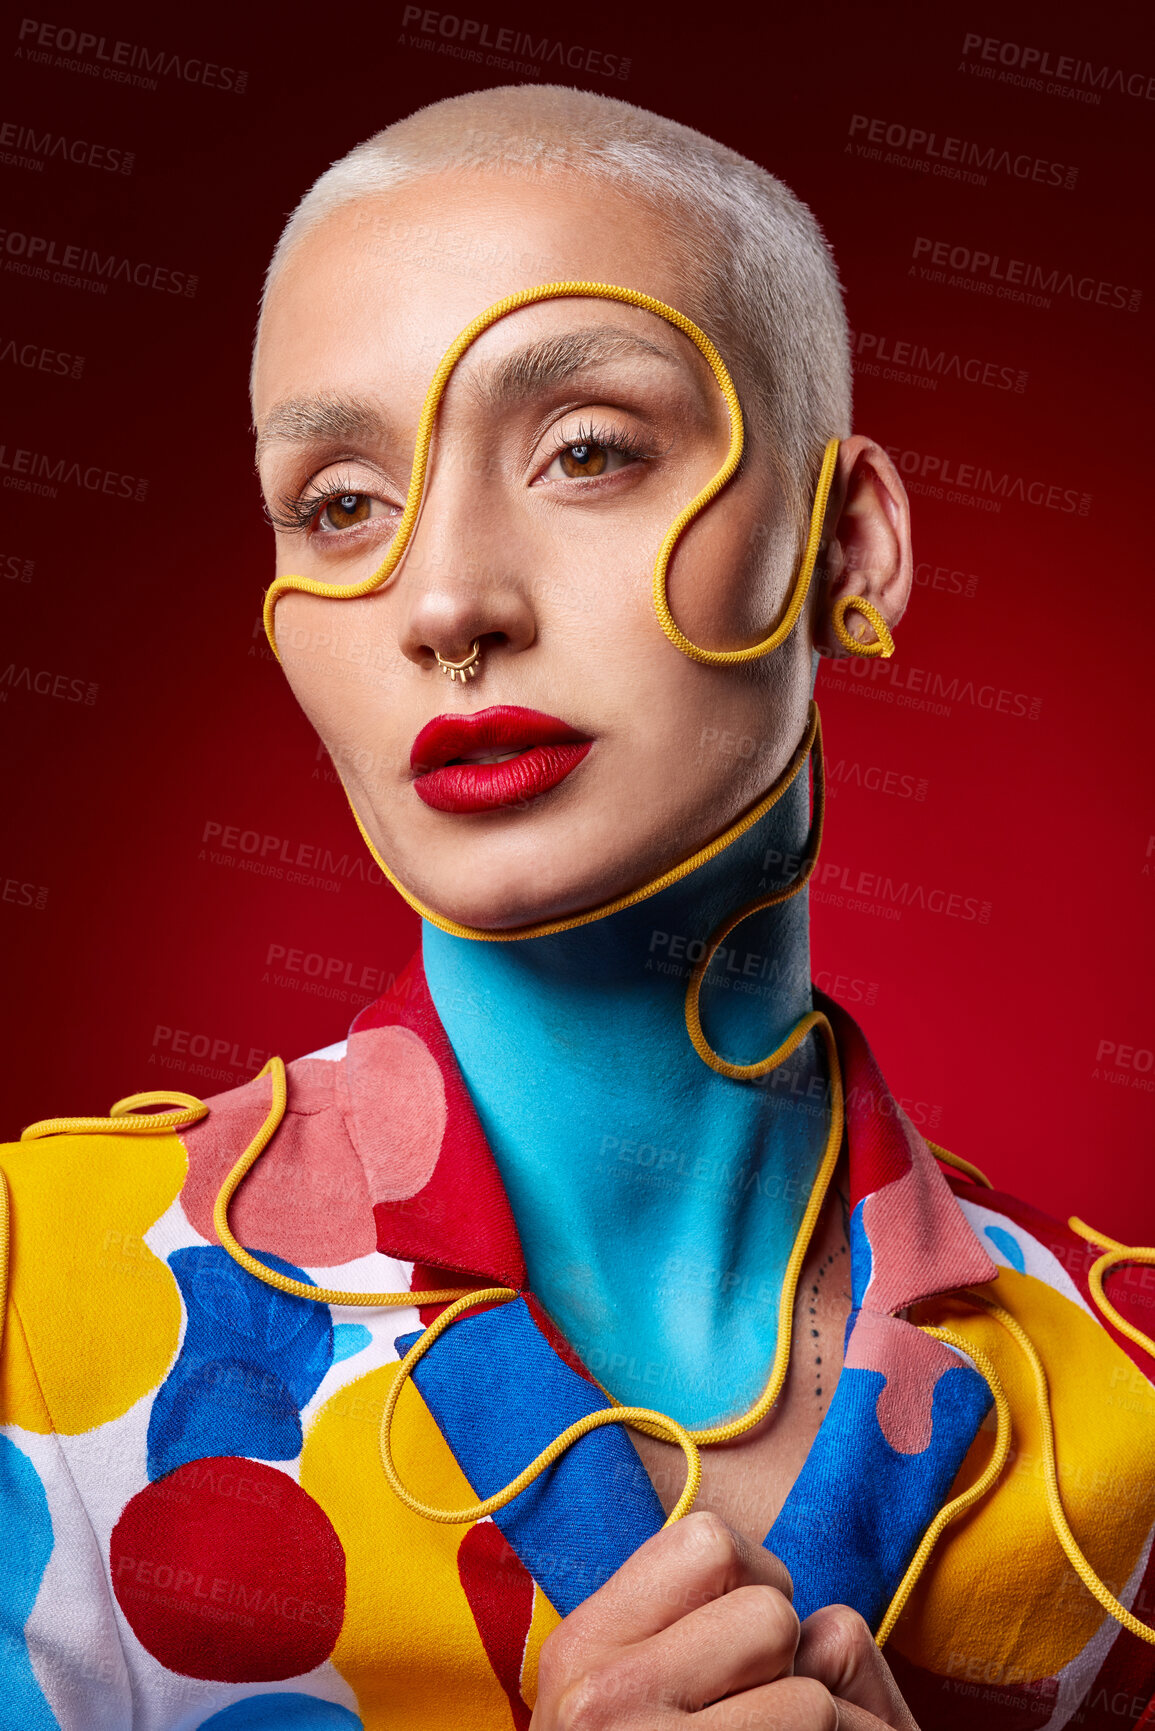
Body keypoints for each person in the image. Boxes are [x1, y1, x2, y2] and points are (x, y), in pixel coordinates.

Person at [2, 83, 1153, 1731]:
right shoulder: (32, 1310)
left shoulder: (1131, 1394)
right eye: (339, 504)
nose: (449, 599)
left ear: (854, 545)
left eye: (589, 453)